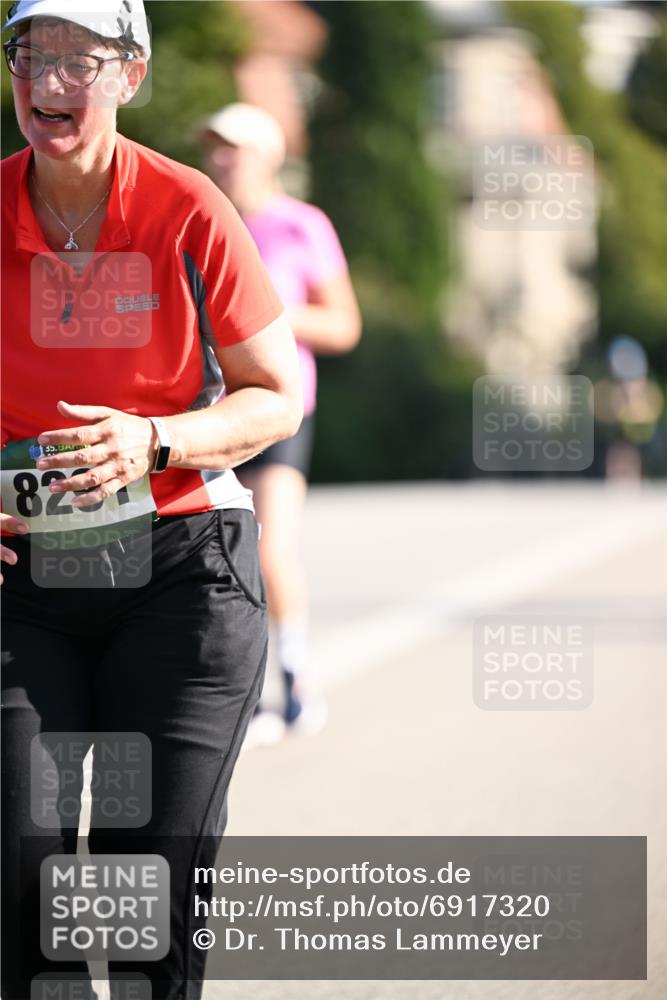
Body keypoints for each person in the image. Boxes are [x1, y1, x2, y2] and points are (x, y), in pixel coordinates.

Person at [0, 3, 302, 999]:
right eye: (30, 56)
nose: (49, 81)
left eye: (78, 60)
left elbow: (274, 392)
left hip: (179, 578)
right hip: (23, 583)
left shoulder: (185, 207)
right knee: (20, 886)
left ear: (129, 75)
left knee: (146, 905)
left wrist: (154, 438)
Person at [199, 104, 361, 743]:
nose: (220, 160)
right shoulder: (203, 224)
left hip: (280, 410)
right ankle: (237, 686)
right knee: (213, 559)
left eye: (232, 149)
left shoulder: (302, 225)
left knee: (269, 547)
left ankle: (296, 677)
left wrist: (266, 314)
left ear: (267, 156)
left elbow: (344, 325)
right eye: (213, 148)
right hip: (208, 416)